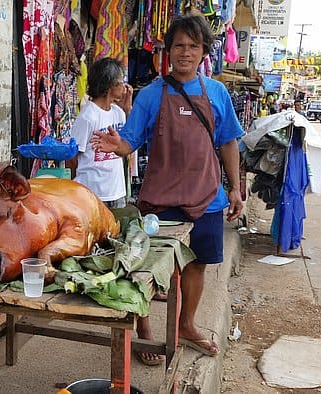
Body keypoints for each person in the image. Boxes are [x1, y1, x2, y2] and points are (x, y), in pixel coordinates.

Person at [91, 13, 244, 365]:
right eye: (179, 46)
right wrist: (118, 146)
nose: (185, 53)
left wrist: (235, 188)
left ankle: (187, 325)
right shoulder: (151, 94)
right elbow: (131, 140)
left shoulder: (217, 92)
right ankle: (144, 333)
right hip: (160, 200)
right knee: (144, 269)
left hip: (207, 196)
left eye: (193, 46)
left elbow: (229, 143)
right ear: (168, 50)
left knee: (197, 265)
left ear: (204, 50)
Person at [66, 57, 133, 208]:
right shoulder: (88, 116)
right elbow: (72, 157)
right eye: (121, 82)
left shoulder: (118, 113)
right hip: (91, 193)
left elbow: (128, 143)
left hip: (116, 192)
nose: (125, 86)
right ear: (110, 85)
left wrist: (127, 109)